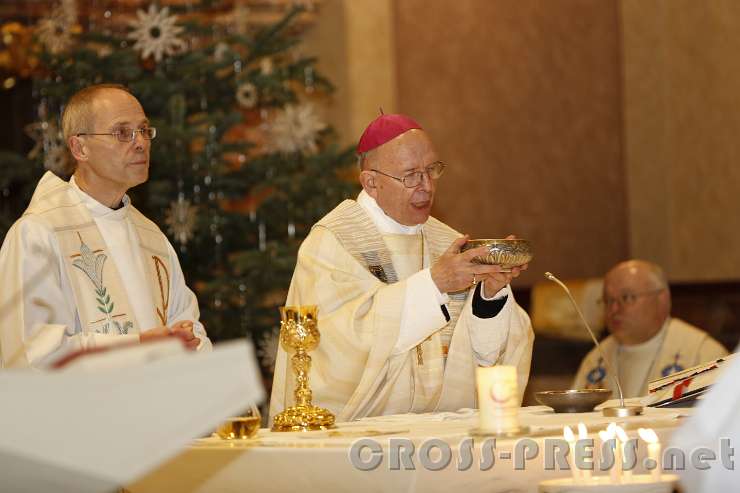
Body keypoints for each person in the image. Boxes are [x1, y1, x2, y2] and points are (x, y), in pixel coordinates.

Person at [269, 114, 533, 421]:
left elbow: (484, 358)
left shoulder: (445, 240)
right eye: (410, 175)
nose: (427, 186)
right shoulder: (333, 243)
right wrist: (434, 284)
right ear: (371, 183)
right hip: (361, 438)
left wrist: (488, 298)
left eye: (432, 170)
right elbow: (334, 347)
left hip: (440, 434)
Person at [0, 84, 212, 368]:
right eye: (122, 133)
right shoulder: (38, 234)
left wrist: (187, 344)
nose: (140, 143)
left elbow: (190, 329)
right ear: (79, 147)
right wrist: (138, 347)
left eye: (144, 130)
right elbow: (33, 351)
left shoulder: (152, 238)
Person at [573, 259, 727, 397]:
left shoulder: (702, 354)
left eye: (627, 298)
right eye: (608, 301)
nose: (614, 309)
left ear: (662, 300)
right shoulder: (595, 360)